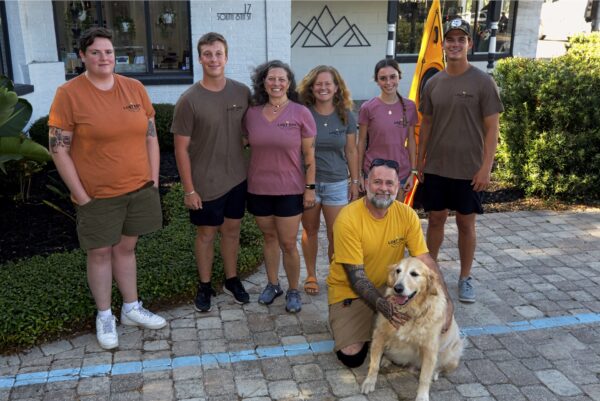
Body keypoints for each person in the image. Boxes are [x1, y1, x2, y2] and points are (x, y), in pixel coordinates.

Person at [48, 27, 166, 350]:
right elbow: (58, 148)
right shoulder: (68, 94)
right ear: (82, 56)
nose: (104, 58)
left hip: (138, 188)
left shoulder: (135, 88)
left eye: (109, 52)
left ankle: (131, 308)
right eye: (96, 52)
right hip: (97, 194)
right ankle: (104, 315)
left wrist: (153, 180)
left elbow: (151, 135)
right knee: (100, 253)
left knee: (127, 249)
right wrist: (81, 195)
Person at [326, 159, 453, 368]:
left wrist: (447, 301)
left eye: (389, 183)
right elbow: (356, 277)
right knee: (352, 357)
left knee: (426, 324)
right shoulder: (348, 218)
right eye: (377, 182)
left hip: (392, 288)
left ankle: (377, 326)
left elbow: (425, 259)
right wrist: (385, 308)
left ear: (397, 187)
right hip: (351, 291)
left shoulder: (407, 215)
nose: (383, 188)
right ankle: (342, 319)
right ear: (366, 183)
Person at [417, 18, 504, 303]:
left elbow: (493, 129)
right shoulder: (433, 83)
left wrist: (485, 167)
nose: (455, 44)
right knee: (436, 221)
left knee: (466, 224)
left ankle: (465, 277)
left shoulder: (482, 82)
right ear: (443, 45)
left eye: (461, 39)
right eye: (450, 39)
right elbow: (426, 125)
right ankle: (431, 275)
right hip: (437, 167)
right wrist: (420, 161)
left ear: (469, 44)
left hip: (469, 169)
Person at [171, 32, 251, 313]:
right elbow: (180, 149)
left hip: (238, 178)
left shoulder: (242, 92)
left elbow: (251, 130)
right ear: (200, 58)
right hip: (205, 183)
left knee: (232, 230)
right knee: (206, 234)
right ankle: (204, 286)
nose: (213, 59)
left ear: (226, 57)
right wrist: (189, 190)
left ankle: (231, 280)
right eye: (207, 54)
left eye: (218, 53)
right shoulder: (189, 100)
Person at [244, 60, 317, 313]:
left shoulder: (300, 113)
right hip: (258, 188)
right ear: (263, 82)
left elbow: (309, 156)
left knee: (288, 243)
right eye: (271, 78)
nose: (276, 83)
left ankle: (293, 290)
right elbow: (244, 143)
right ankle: (273, 285)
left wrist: (310, 188)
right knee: (269, 238)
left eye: (281, 79)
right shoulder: (251, 114)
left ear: (288, 83)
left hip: (290, 189)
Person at [296, 65, 359, 296]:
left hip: (336, 183)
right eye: (318, 83)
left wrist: (355, 182)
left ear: (336, 88)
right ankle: (311, 275)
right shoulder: (303, 113)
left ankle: (335, 273)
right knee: (309, 230)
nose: (323, 88)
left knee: (336, 233)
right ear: (311, 87)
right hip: (308, 184)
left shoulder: (346, 115)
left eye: (328, 84)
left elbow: (352, 151)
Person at [357, 59, 418, 201]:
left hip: (400, 173)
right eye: (383, 78)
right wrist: (359, 174)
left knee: (396, 219)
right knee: (372, 218)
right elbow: (361, 143)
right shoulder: (368, 107)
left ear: (399, 77)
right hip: (373, 172)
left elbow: (411, 141)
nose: (388, 82)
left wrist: (413, 172)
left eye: (393, 77)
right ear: (377, 81)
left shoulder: (409, 106)